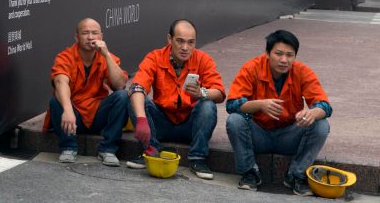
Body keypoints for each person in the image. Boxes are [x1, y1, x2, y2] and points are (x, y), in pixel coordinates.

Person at [226, 29, 331, 196]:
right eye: (278, 54)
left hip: (289, 135)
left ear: (295, 57)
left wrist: (313, 112)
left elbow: (325, 106)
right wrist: (259, 105)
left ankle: (295, 175)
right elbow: (231, 104)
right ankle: (250, 173)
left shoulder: (302, 71)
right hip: (258, 134)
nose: (284, 60)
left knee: (321, 124)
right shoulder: (251, 67)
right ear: (268, 53)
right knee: (234, 120)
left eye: (290, 55)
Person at [126, 19, 225, 180]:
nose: (185, 47)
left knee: (207, 105)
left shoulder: (203, 59)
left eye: (190, 42)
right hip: (162, 122)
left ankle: (198, 158)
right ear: (169, 39)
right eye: (180, 41)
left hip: (190, 126)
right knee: (132, 98)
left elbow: (219, 93)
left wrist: (201, 93)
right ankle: (151, 149)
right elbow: (137, 86)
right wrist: (142, 119)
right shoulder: (155, 57)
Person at [43, 18, 130, 166]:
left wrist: (107, 55)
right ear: (76, 37)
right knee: (56, 100)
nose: (90, 37)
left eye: (95, 33)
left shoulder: (106, 56)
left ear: (101, 37)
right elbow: (60, 82)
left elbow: (120, 85)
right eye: (85, 33)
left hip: (97, 114)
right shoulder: (66, 56)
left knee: (122, 96)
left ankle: (108, 149)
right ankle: (68, 147)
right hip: (73, 116)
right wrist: (68, 109)